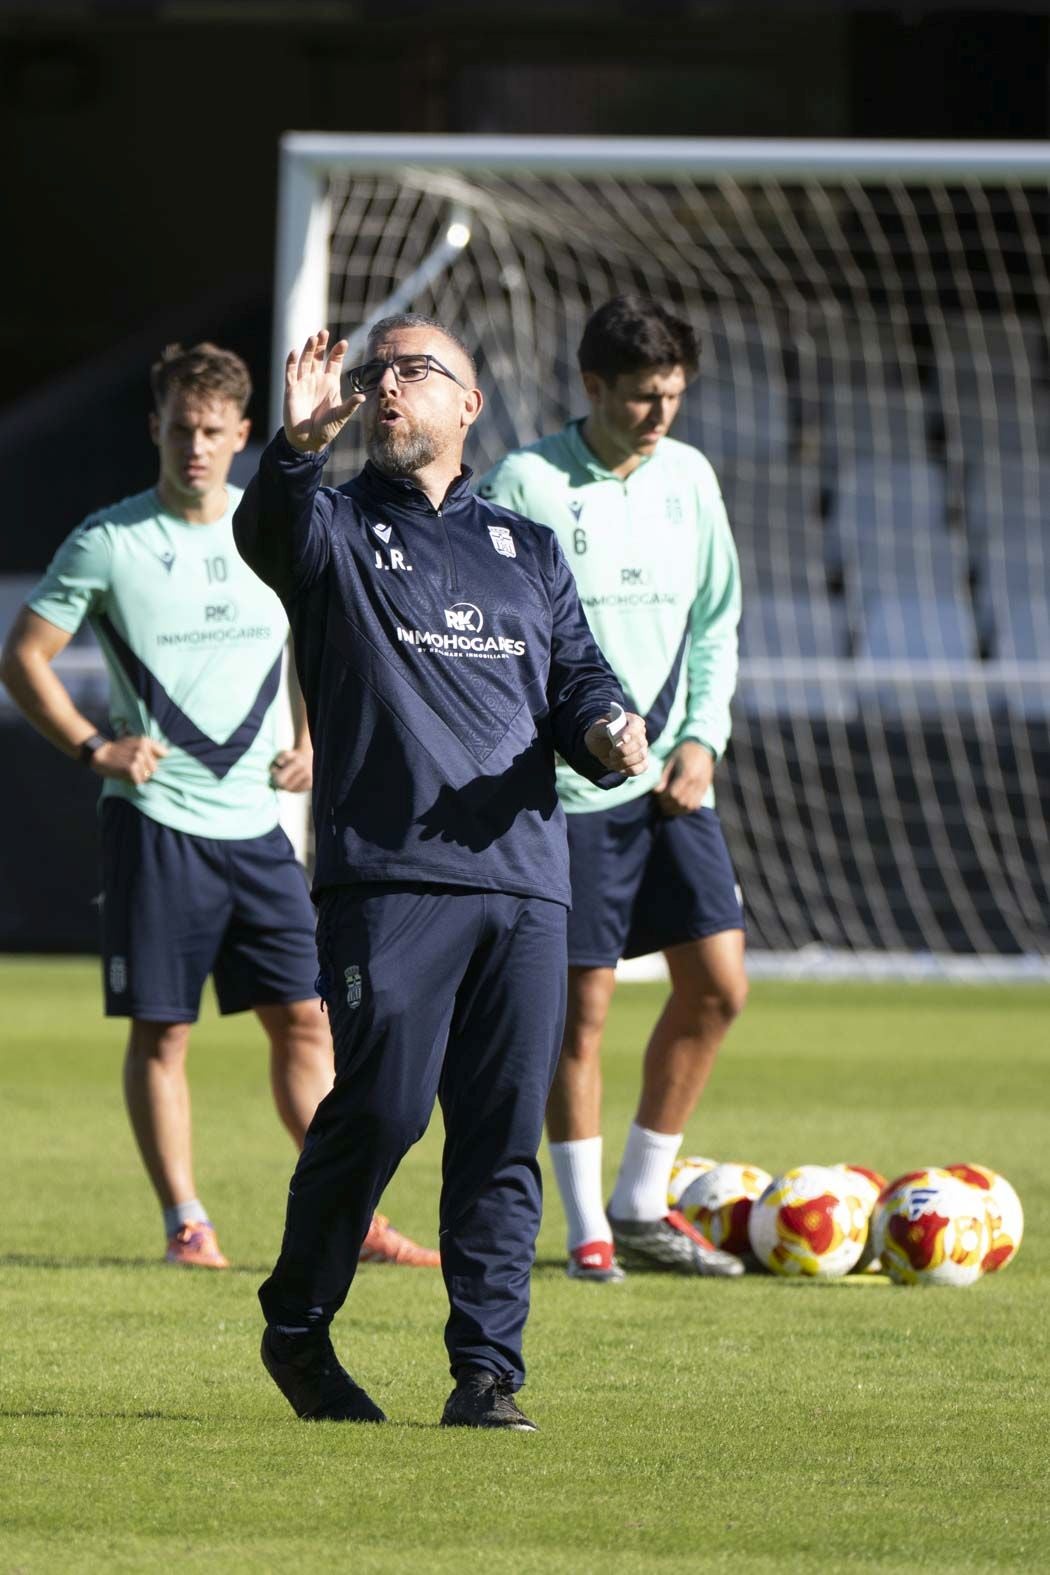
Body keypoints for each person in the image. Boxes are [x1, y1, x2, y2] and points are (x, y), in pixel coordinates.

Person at [233, 315, 647, 1430]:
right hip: (389, 880)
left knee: (504, 1132)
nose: (389, 387)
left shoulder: (528, 549)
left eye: (417, 371)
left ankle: (488, 1374)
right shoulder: (330, 524)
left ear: (469, 405)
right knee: (385, 1108)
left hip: (525, 882)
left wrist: (610, 726)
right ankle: (297, 1327)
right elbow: (264, 534)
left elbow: (578, 678)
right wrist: (293, 449)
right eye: (380, 373)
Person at [0, 341, 438, 1273]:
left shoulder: (269, 523)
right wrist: (93, 745)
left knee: (307, 1020)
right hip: (155, 824)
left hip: (258, 829)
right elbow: (23, 656)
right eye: (179, 429)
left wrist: (311, 737)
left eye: (212, 432)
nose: (195, 446)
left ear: (243, 434)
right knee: (166, 1030)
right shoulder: (109, 541)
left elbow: (313, 633)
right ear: (154, 428)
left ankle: (351, 1218)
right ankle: (187, 1223)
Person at [478, 294, 748, 1283]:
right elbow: (501, 637)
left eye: (673, 395)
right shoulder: (529, 482)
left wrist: (702, 743)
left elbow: (717, 622)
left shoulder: (691, 478)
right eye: (641, 397)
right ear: (592, 387)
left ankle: (643, 1201)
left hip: (677, 783)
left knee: (718, 989)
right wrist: (580, 736)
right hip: (570, 791)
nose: (660, 414)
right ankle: (588, 1225)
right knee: (580, 1013)